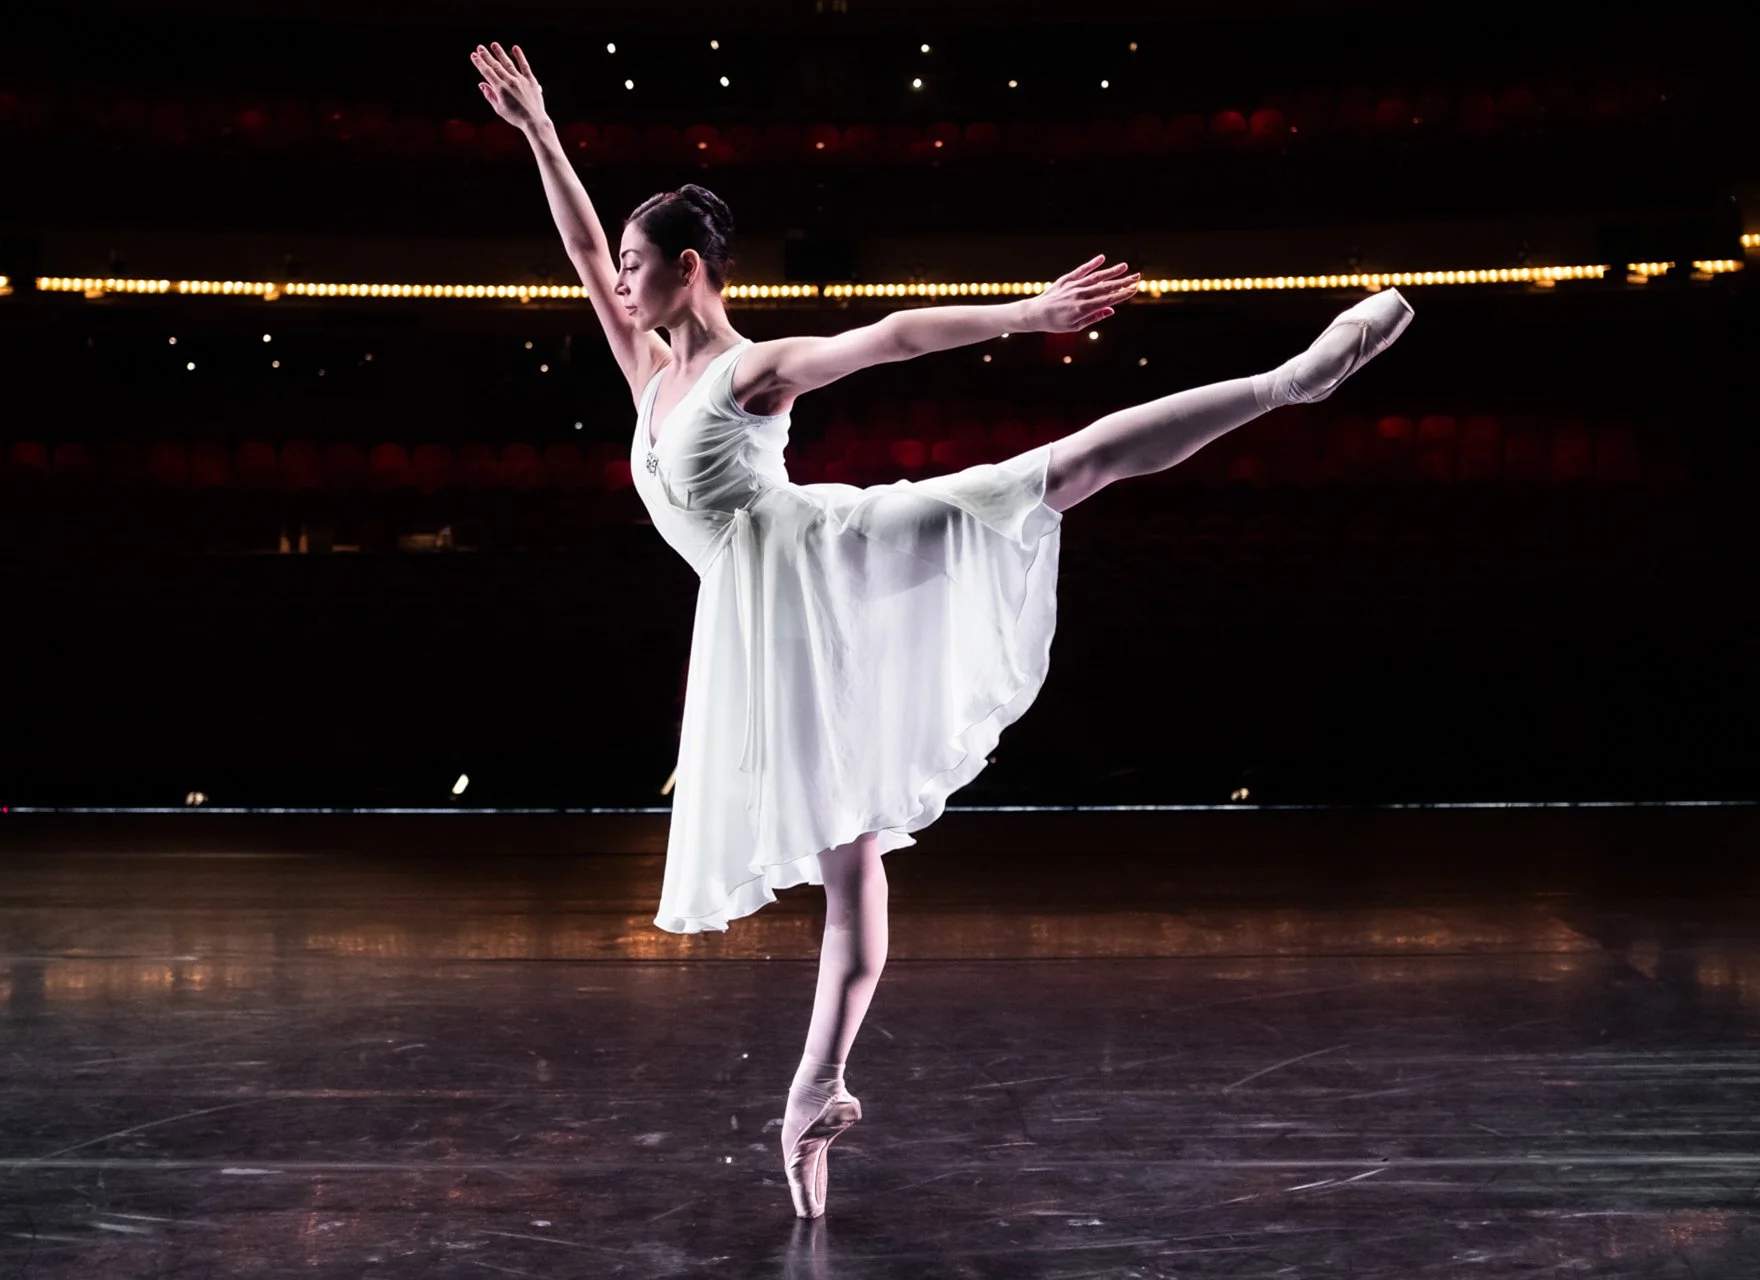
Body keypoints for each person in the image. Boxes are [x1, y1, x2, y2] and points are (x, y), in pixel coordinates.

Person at [469, 41, 1414, 1218]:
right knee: (848, 866)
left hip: (829, 558)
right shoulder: (644, 370)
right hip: (768, 629)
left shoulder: (752, 369)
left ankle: (1287, 383)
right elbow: (571, 245)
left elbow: (890, 337)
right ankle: (812, 1093)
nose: (616, 278)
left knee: (1051, 474)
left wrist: (1030, 313)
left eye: (635, 262)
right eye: (617, 263)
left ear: (690, 269)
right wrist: (541, 131)